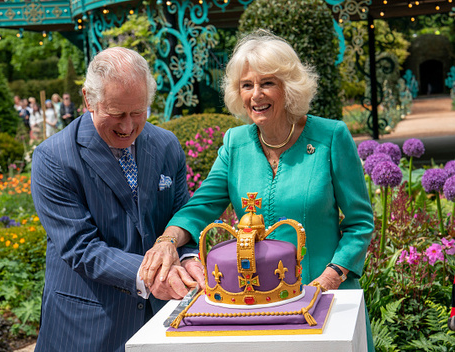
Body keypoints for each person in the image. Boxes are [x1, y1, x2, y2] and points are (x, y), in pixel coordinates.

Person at [140, 30, 375, 351]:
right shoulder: (235, 144)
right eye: (246, 85)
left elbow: (360, 222)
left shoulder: (331, 136)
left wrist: (331, 276)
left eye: (267, 83)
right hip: (257, 305)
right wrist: (166, 241)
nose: (256, 95)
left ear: (289, 86)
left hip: (326, 300)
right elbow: (200, 208)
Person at [30, 46, 204, 352]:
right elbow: (80, 248)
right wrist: (152, 274)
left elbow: (181, 217)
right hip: (87, 327)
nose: (127, 127)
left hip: (161, 321)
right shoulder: (53, 157)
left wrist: (189, 258)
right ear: (88, 100)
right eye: (116, 113)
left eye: (137, 112)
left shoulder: (166, 145)